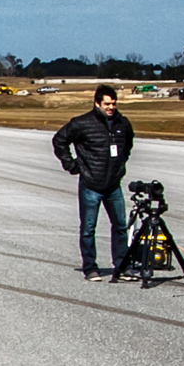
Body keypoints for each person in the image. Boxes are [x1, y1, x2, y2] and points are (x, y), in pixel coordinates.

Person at [52, 84, 135, 279]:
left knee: (120, 226)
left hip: (114, 185)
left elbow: (128, 144)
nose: (111, 107)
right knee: (89, 228)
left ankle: (121, 265)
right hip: (91, 184)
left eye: (113, 104)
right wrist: (72, 165)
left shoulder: (122, 123)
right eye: (107, 104)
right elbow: (59, 140)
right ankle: (90, 267)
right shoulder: (82, 123)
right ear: (97, 103)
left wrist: (121, 163)